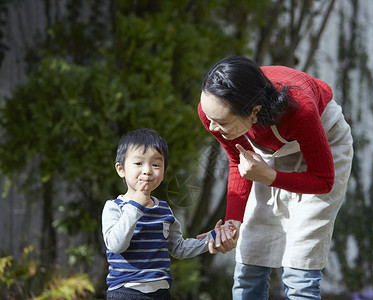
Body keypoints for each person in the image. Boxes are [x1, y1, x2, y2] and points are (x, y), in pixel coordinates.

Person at [198, 56, 353, 299]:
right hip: (269, 149)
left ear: (254, 111)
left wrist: (269, 176)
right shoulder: (214, 114)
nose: (212, 128)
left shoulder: (300, 109)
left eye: (220, 122)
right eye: (210, 119)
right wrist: (233, 222)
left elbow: (323, 180)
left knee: (299, 265)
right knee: (250, 258)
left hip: (325, 144)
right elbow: (239, 160)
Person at [102, 128, 236, 299]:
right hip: (126, 292)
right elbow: (116, 245)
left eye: (156, 164)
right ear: (121, 169)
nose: (148, 170)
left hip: (161, 293)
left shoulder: (163, 209)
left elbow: (178, 248)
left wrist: (212, 238)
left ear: (163, 172)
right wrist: (135, 206)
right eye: (138, 163)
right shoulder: (114, 207)